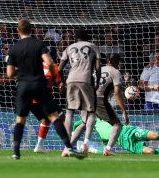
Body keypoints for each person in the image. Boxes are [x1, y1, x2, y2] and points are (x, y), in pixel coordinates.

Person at [6, 19, 84, 160]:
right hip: (38, 84)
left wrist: (21, 70)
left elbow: (10, 74)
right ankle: (69, 147)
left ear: (18, 31)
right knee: (55, 116)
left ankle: (16, 152)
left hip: (23, 86)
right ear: (32, 30)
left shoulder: (14, 48)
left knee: (20, 120)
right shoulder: (39, 44)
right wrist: (54, 76)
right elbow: (49, 62)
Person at [71, 53, 129, 156]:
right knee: (117, 125)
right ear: (112, 62)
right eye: (117, 62)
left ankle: (69, 147)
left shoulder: (98, 70)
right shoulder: (115, 72)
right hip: (99, 100)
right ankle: (108, 149)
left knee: (84, 124)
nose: (118, 64)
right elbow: (117, 93)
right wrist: (124, 111)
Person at [59, 28, 101, 157]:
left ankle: (67, 146)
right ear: (87, 37)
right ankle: (86, 143)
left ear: (76, 38)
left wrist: (63, 82)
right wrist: (97, 82)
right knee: (91, 111)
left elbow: (59, 68)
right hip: (86, 80)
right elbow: (98, 67)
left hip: (71, 79)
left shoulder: (69, 48)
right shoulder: (92, 46)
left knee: (70, 112)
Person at [73, 118, 159, 155]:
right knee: (151, 152)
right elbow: (106, 149)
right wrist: (92, 150)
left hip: (127, 130)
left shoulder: (101, 115)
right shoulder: (102, 136)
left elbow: (79, 123)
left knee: (154, 135)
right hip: (126, 143)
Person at [33, 61, 66, 153]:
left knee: (46, 119)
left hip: (30, 99)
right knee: (62, 118)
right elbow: (61, 87)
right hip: (42, 98)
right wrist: (64, 86)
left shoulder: (33, 64)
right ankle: (70, 145)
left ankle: (39, 146)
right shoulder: (54, 67)